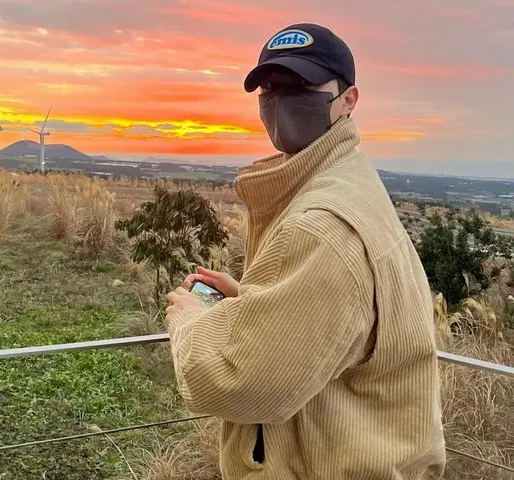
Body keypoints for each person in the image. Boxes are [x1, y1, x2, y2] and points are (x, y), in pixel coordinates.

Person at [165, 22, 446, 479]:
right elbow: (345, 319)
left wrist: (191, 320)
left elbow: (241, 383)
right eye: (270, 88)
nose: (279, 100)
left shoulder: (321, 225)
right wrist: (256, 300)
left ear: (348, 100)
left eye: (300, 85)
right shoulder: (349, 181)